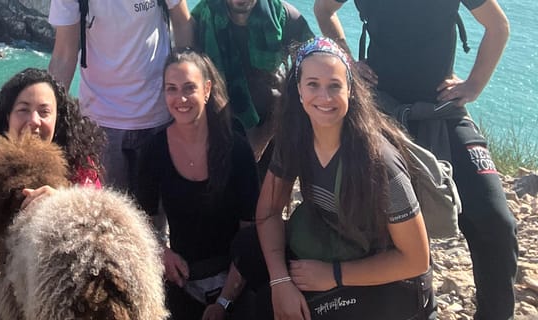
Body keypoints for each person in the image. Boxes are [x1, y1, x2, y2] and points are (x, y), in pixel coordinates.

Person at [315, 0, 517, 318]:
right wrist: (347, 61)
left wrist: (474, 85)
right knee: (383, 226)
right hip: (380, 111)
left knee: (495, 221)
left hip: (442, 110)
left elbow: (498, 26)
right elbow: (323, 9)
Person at [257, 37, 434, 319]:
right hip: (338, 248)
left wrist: (333, 275)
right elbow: (268, 213)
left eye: (334, 86)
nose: (324, 97)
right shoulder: (294, 139)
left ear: (350, 90)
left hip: (393, 282)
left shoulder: (380, 163)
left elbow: (416, 260)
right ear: (298, 89)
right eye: (313, 84)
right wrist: (280, 281)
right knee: (249, 255)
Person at [134, 48, 267, 319]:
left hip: (237, 279)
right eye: (171, 89)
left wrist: (224, 302)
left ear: (206, 90)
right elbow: (142, 221)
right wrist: (161, 251)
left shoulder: (237, 149)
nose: (180, 98)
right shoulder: (154, 150)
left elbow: (250, 234)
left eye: (189, 88)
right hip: (182, 278)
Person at [47, 0, 193, 192]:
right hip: (99, 124)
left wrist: (187, 92)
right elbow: (64, 55)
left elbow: (183, 23)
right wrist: (48, 112)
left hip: (158, 116)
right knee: (107, 207)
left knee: (160, 206)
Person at [191, 0, 313, 161]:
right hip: (220, 129)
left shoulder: (284, 16)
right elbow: (185, 77)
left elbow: (313, 72)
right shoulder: (200, 19)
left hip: (274, 129)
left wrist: (264, 136)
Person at [0, 67, 104, 207]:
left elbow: (97, 216)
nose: (34, 121)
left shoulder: (81, 167)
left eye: (44, 111)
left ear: (58, 118)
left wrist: (63, 203)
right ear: (8, 117)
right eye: (23, 110)